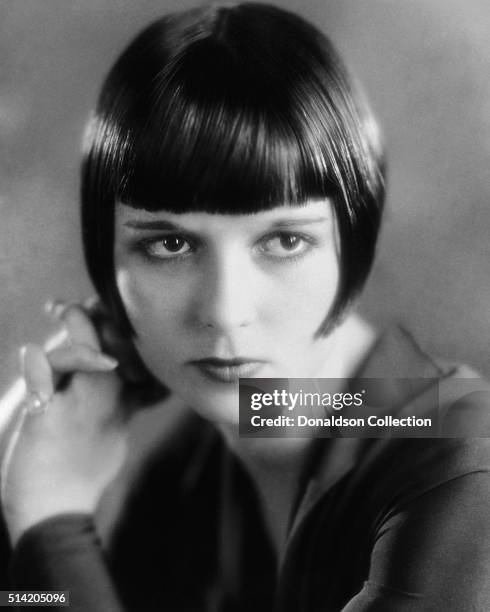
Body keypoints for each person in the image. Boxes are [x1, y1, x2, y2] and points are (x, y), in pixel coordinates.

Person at [1, 3, 490, 610]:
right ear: (108, 266)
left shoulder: (465, 466)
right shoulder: (192, 473)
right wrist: (26, 499)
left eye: (285, 241)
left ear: (353, 242)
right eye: (170, 243)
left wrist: (51, 520)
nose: (226, 312)